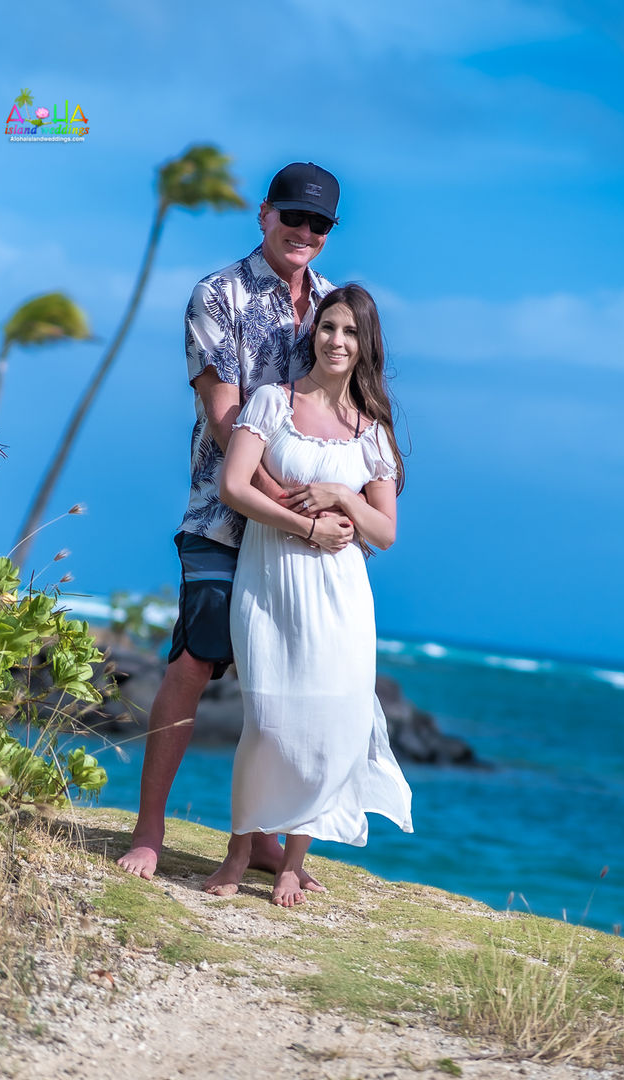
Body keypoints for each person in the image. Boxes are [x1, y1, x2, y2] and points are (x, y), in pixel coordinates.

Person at [118, 162, 344, 882]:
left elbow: (353, 412)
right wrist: (285, 498)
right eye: (293, 216)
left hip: (304, 526)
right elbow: (223, 418)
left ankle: (264, 839)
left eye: (319, 223)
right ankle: (149, 829)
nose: (303, 232)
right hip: (222, 513)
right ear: (264, 214)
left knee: (281, 679)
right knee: (192, 663)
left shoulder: (337, 308)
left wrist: (346, 502)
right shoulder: (217, 295)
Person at [203, 285, 414, 906]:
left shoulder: (371, 434)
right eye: (328, 328)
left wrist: (344, 498)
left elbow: (385, 532)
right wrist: (307, 525)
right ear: (313, 333)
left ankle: (294, 859)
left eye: (350, 332)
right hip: (270, 581)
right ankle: (241, 849)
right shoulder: (272, 402)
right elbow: (235, 485)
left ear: (366, 345)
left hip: (342, 597)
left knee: (331, 726)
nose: (337, 341)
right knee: (268, 723)